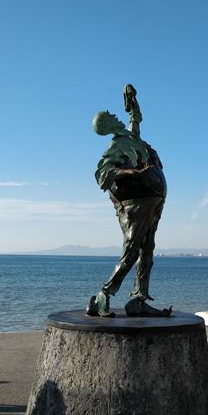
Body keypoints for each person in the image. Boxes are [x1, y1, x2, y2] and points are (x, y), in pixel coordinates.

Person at [87, 85, 171, 317]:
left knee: (147, 250)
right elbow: (103, 175)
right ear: (106, 126)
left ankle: (138, 298)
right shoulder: (116, 146)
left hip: (153, 200)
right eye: (110, 116)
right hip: (135, 205)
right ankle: (103, 295)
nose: (115, 115)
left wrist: (132, 101)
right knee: (132, 251)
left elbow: (135, 118)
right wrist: (130, 173)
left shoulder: (130, 137)